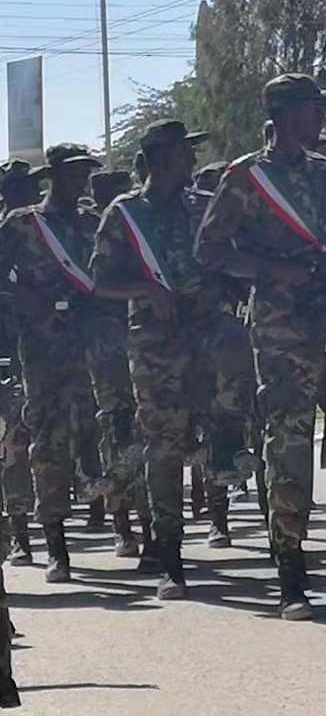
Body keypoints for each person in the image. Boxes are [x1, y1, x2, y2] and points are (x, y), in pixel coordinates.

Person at [196, 73, 326, 620]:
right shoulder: (245, 177)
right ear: (284, 115)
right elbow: (209, 250)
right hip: (279, 323)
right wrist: (269, 269)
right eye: (311, 108)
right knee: (289, 439)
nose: (320, 118)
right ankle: (290, 568)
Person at [91, 120, 254, 599]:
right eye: (184, 153)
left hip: (205, 326)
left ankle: (226, 440)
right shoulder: (124, 214)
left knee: (236, 344)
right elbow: (99, 281)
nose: (190, 161)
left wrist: (223, 288)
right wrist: (143, 288)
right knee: (163, 447)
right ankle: (169, 555)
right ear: (161, 158)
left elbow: (232, 265)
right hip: (156, 340)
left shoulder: (203, 207)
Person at [0, 144, 106, 583]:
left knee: (101, 432)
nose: (79, 180)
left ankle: (122, 522)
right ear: (53, 176)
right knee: (48, 440)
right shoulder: (23, 225)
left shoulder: (93, 222)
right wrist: (25, 302)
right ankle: (56, 545)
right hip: (43, 347)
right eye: (72, 173)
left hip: (93, 343)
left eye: (85, 173)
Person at [84, 167, 148, 559]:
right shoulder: (97, 231)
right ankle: (122, 523)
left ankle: (151, 526)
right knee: (117, 431)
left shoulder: (141, 227)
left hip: (145, 339)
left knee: (150, 432)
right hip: (105, 345)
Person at [0, 163, 39, 568]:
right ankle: (19, 536)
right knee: (11, 450)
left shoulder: (39, 238)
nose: (27, 194)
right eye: (20, 188)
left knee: (19, 447)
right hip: (5, 351)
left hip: (28, 350)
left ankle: (24, 533)